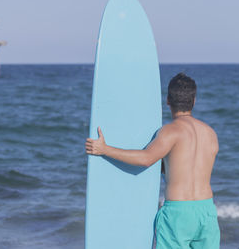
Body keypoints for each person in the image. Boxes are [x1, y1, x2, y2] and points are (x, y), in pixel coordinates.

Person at [85, 73, 220, 248]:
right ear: (194, 101)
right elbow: (188, 166)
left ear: (168, 101)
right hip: (206, 210)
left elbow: (146, 159)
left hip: (178, 213)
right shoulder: (210, 134)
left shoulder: (170, 131)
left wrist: (104, 149)